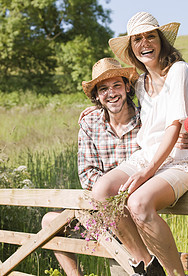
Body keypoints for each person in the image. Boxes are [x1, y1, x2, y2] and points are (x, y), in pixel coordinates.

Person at [91, 12, 188, 276]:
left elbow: (174, 126)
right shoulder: (140, 83)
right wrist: (92, 111)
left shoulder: (179, 71)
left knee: (139, 203)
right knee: (101, 191)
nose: (145, 43)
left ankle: (176, 274)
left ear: (161, 40)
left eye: (150, 36)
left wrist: (148, 171)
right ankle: (147, 265)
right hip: (148, 155)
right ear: (131, 48)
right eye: (137, 39)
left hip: (180, 157)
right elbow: (116, 103)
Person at [41, 57, 141, 276]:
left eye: (117, 85)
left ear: (127, 87)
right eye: (103, 89)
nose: (112, 93)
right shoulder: (90, 122)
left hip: (133, 215)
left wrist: (117, 192)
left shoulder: (145, 118)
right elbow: (87, 175)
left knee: (126, 271)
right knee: (50, 221)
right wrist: (110, 195)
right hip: (100, 213)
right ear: (97, 96)